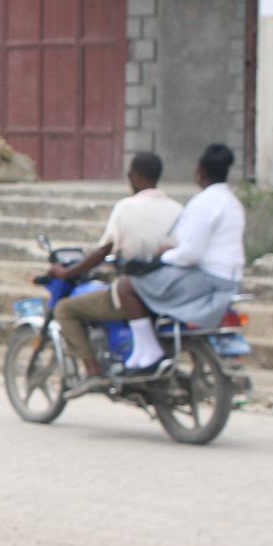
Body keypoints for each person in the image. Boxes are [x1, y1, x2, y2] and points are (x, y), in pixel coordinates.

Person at [52, 151, 183, 393]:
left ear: (139, 176)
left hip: (135, 292)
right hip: (169, 291)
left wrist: (68, 273)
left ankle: (92, 370)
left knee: (65, 309)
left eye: (130, 174)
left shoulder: (126, 208)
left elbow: (104, 250)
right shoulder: (177, 209)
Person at [115, 142, 246, 371]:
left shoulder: (203, 203)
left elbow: (190, 254)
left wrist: (161, 258)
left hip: (208, 278)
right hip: (230, 278)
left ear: (200, 171)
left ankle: (147, 348)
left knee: (127, 286)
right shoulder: (232, 203)